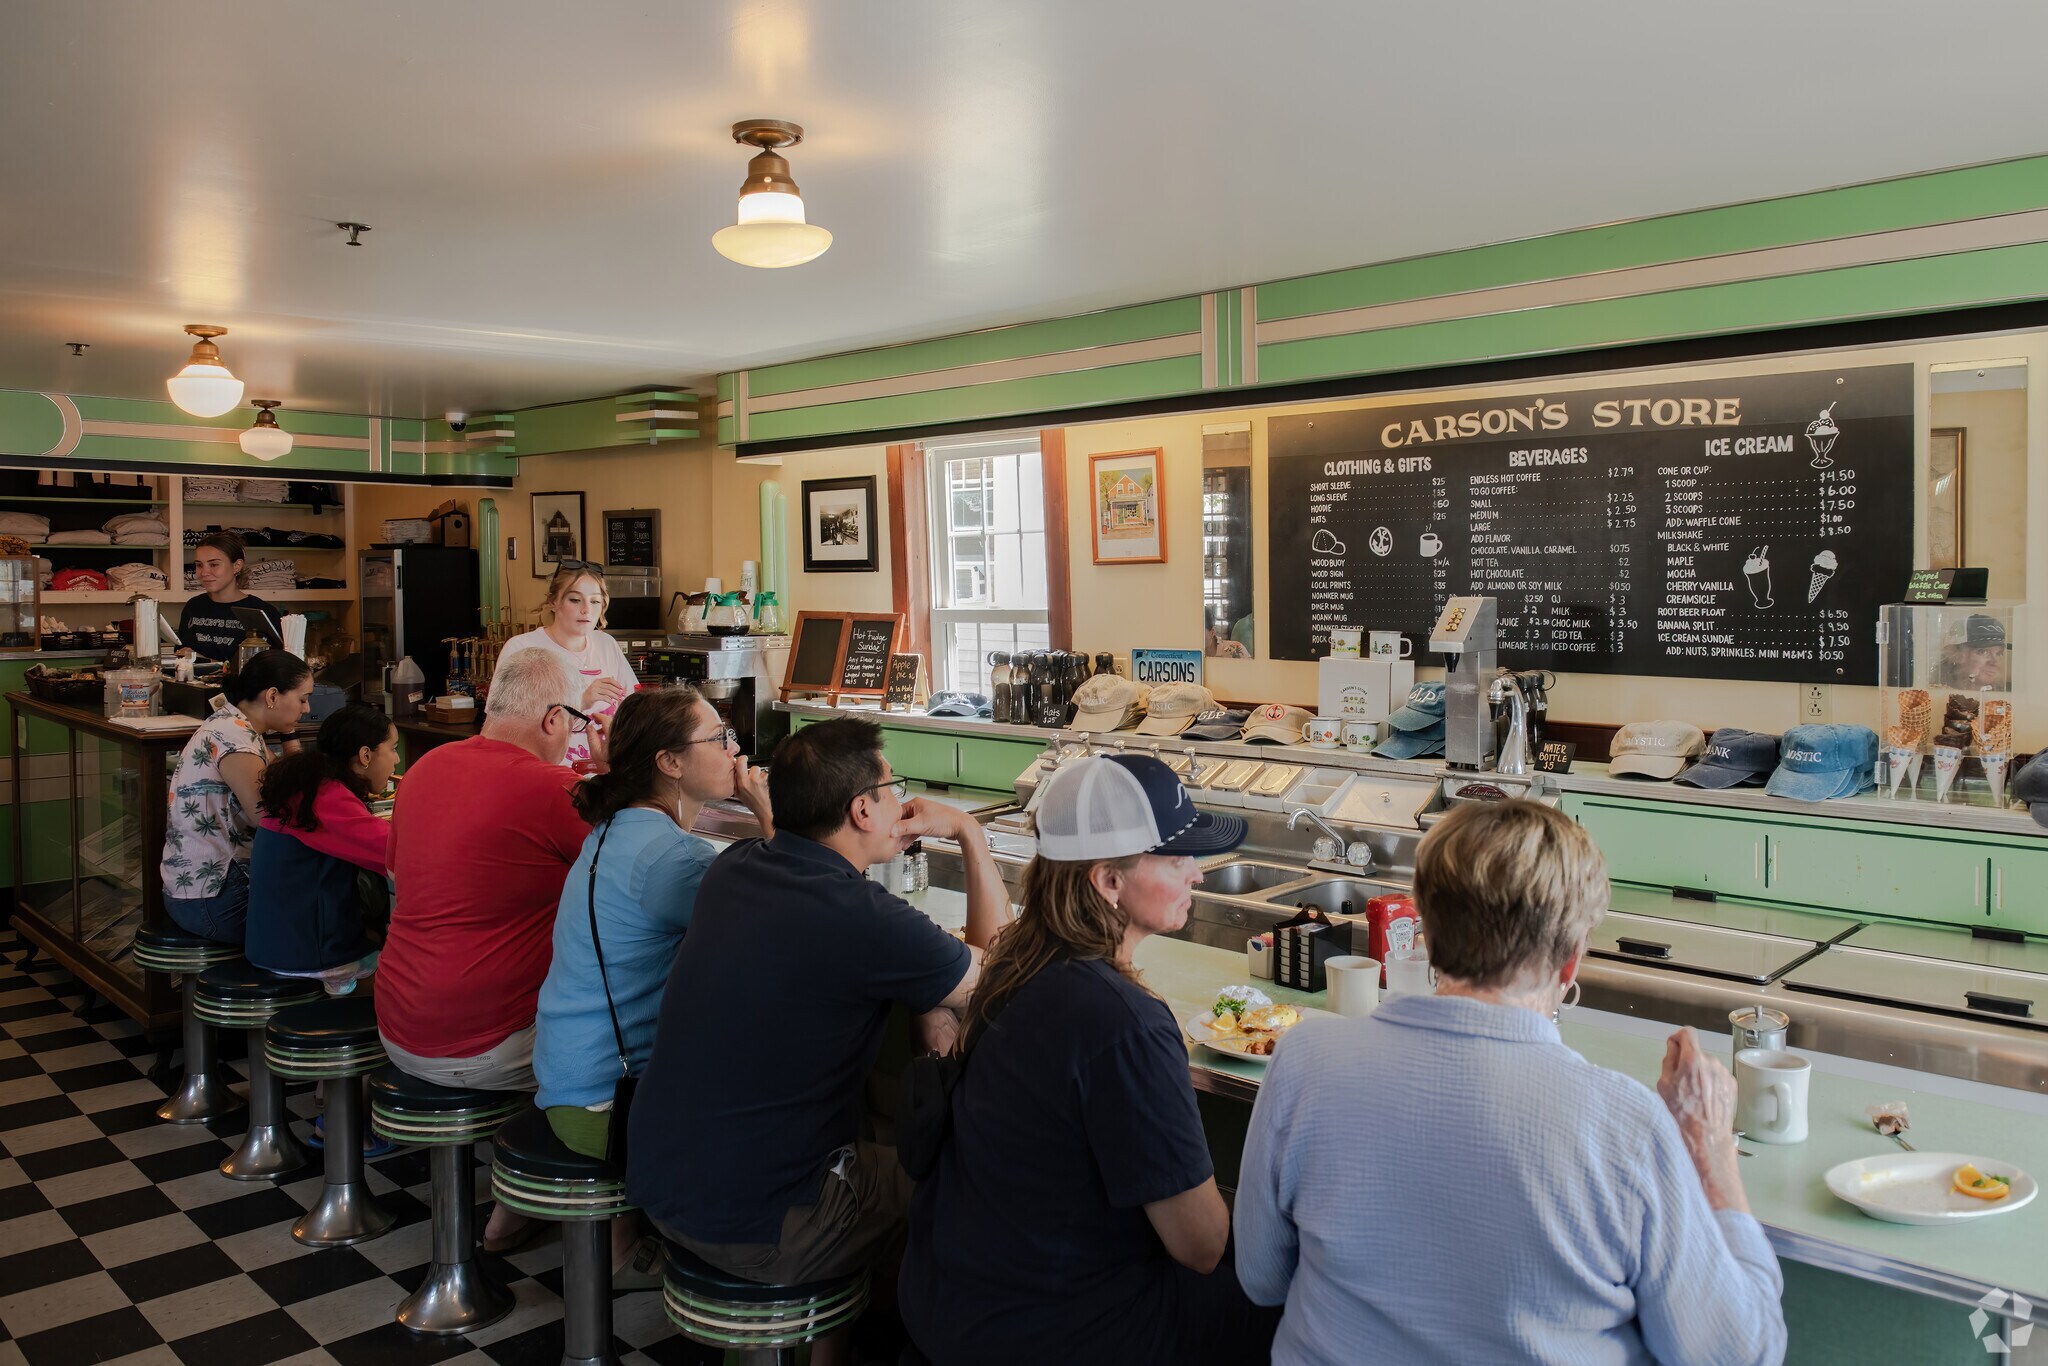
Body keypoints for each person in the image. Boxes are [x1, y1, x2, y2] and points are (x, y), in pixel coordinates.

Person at [1234, 800, 1786, 1366]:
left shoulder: (1304, 1059)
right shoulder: (1627, 1124)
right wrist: (1711, 1149)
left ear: (1426, 930)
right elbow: (1736, 1355)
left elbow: (1261, 1280)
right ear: (1571, 963)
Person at [627, 716, 1008, 1362]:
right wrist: (969, 832)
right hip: (756, 1226)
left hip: (661, 1187)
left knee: (886, 1099)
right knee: (964, 1183)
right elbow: (993, 979)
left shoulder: (737, 869)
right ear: (862, 809)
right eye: (893, 788)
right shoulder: (862, 918)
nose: (899, 802)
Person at [900, 755, 1280, 1365]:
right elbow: (1200, 1245)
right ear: (1108, 881)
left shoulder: (1016, 965)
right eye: (1178, 857)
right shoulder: (1124, 1021)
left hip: (951, 1302)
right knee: (1287, 1301)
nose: (1198, 876)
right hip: (1053, 1332)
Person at [534, 687, 773, 1284]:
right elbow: (788, 920)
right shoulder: (675, 859)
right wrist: (769, 814)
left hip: (565, 1073)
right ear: (669, 762)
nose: (733, 750)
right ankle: (738, 1251)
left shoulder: (616, 827)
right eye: (719, 738)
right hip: (607, 1104)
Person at [378, 647, 591, 1249]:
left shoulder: (424, 768)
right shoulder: (554, 788)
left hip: (397, 1025)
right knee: (632, 1035)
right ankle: (540, 1199)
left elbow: (397, 876)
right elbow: (632, 874)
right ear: (554, 719)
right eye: (574, 722)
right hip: (485, 1045)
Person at [244, 703, 400, 995]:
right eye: (392, 749)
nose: (397, 760)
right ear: (365, 755)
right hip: (305, 953)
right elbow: (399, 854)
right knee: (412, 982)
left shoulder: (309, 786)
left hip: (277, 942)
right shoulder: (327, 798)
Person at [160, 650, 313, 943]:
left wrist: (289, 733)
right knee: (325, 911)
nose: (306, 708)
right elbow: (267, 816)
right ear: (272, 696)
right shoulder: (236, 739)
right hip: (213, 900)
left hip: (200, 891)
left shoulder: (237, 725)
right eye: (303, 699)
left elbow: (288, 779)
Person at [493, 561, 636, 770]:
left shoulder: (606, 644)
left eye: (595, 601)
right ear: (553, 601)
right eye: (575, 600)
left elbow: (634, 704)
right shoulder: (522, 647)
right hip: (543, 774)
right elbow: (501, 726)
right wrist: (580, 702)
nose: (586, 610)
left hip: (603, 774)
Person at [179, 531, 280, 663]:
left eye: (214, 564)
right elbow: (181, 654)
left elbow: (270, 667)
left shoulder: (261, 612)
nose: (204, 572)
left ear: (237, 566)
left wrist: (207, 661)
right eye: (199, 565)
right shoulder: (193, 606)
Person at [1938, 613, 2010, 691]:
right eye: (1983, 651)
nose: (1995, 662)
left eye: (1999, 653)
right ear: (1954, 654)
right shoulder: (1934, 695)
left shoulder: (2009, 697)